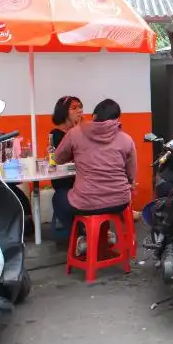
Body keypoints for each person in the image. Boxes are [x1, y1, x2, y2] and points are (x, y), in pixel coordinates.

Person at [54, 99, 137, 253]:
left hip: (86, 202)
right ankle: (102, 235)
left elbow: (58, 158)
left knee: (59, 197)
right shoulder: (126, 139)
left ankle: (83, 236)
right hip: (119, 201)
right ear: (117, 119)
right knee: (96, 203)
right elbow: (131, 175)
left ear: (94, 116)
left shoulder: (75, 133)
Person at [48, 95, 83, 241]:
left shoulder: (82, 131)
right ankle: (79, 235)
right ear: (64, 112)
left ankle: (84, 234)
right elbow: (60, 159)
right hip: (66, 180)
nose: (79, 111)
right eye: (74, 108)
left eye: (80, 107)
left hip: (83, 179)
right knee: (61, 196)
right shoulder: (55, 135)